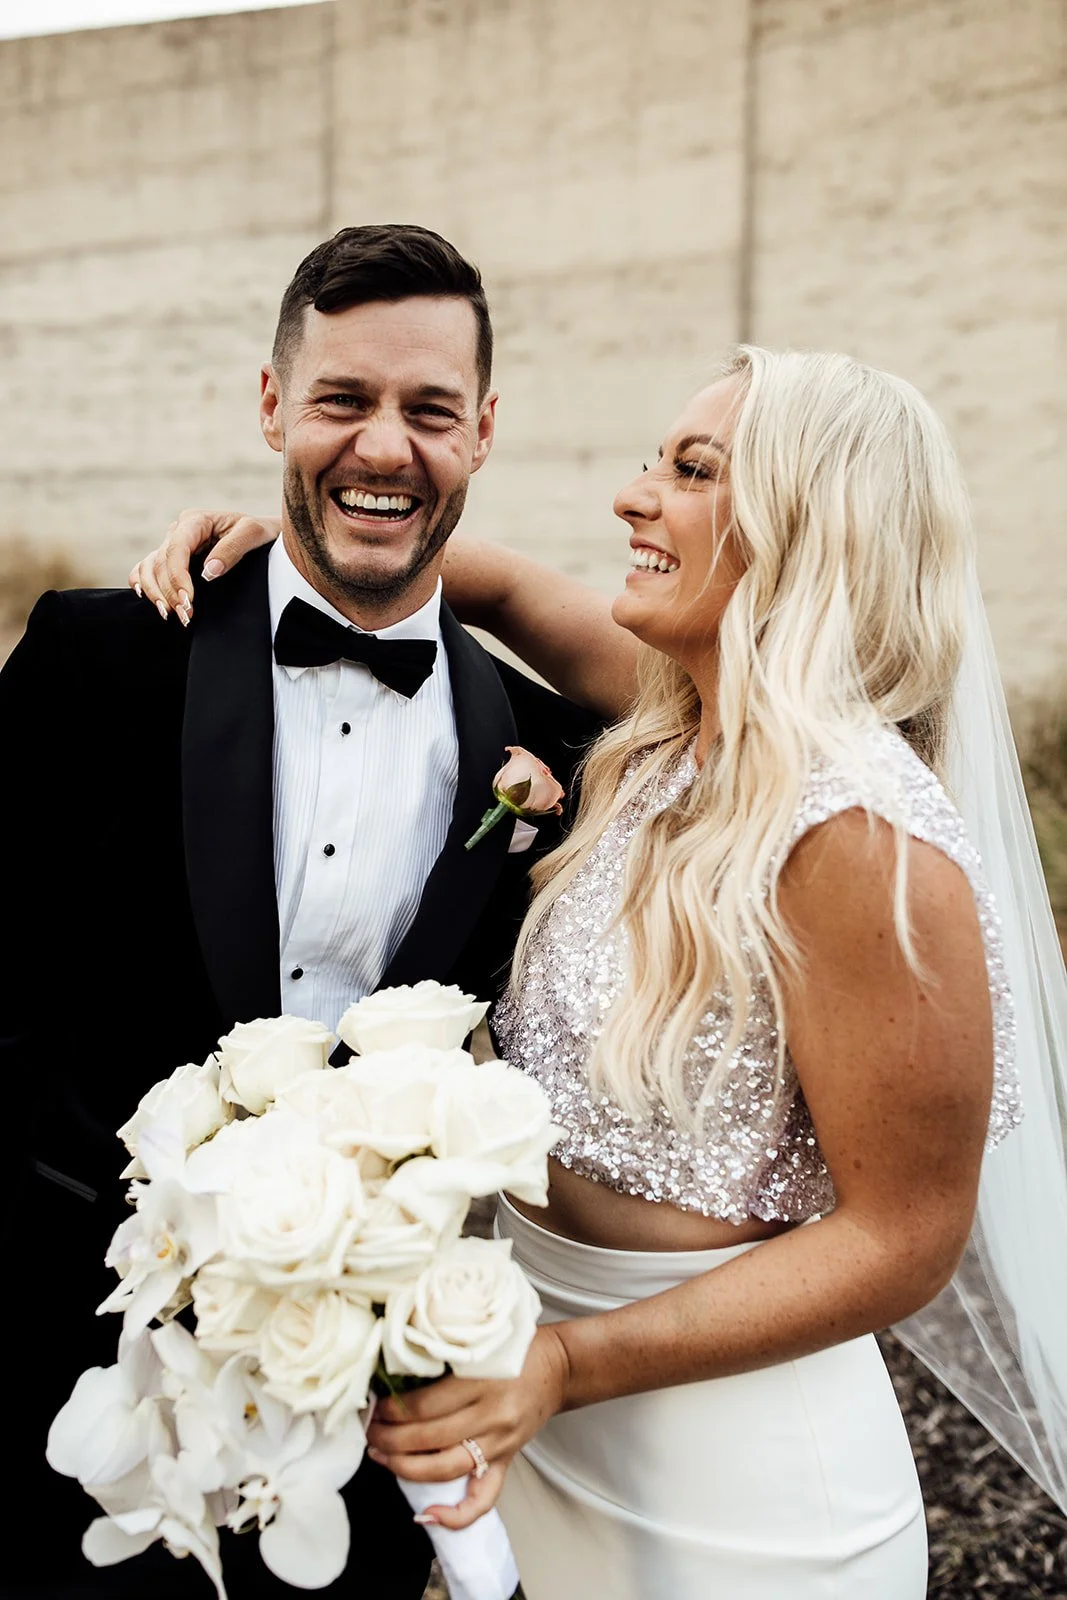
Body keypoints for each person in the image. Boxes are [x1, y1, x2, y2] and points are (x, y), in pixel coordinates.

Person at [136, 344, 1067, 1598]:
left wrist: (569, 1364)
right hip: (541, 1420)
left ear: (811, 522)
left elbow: (904, 1238)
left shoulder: (857, 836)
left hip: (741, 1491)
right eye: (652, 462)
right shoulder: (675, 729)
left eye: (689, 471)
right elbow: (506, 585)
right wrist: (298, 550)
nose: (632, 497)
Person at [0, 224, 601, 1598]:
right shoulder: (101, 660)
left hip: (364, 1428)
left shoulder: (549, 752)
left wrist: (484, 579)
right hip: (65, 1378)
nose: (383, 446)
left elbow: (818, 722)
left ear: (483, 432)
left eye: (427, 411)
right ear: (270, 404)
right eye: (342, 401)